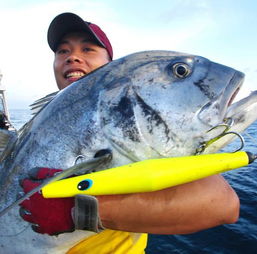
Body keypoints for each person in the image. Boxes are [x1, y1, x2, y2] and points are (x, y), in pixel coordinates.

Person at [19, 12, 240, 253]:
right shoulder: (37, 126)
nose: (73, 57)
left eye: (88, 49)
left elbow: (223, 205)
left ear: (110, 63)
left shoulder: (142, 132)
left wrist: (79, 211)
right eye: (63, 51)